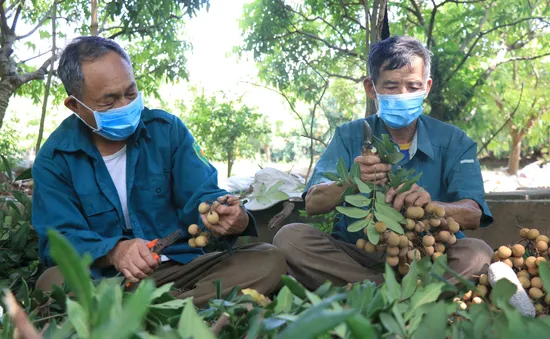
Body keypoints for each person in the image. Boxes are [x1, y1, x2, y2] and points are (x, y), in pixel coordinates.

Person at [32, 36, 286, 306]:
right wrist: (115, 252)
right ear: (75, 105)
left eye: (130, 93)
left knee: (269, 259)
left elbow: (203, 195)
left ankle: (141, 313)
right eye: (108, 101)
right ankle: (182, 308)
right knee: (52, 282)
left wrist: (226, 215)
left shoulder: (168, 131)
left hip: (182, 268)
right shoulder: (55, 159)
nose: (125, 106)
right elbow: (57, 240)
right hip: (107, 279)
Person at [273, 36, 494, 290]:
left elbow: (473, 213)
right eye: (391, 87)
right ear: (371, 87)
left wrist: (431, 206)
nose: (403, 95)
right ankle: (406, 293)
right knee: (289, 239)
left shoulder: (455, 141)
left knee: (477, 253)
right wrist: (352, 181)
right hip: (359, 256)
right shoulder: (349, 135)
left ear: (427, 87)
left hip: (431, 256)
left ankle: (369, 292)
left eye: (413, 87)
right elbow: (312, 202)